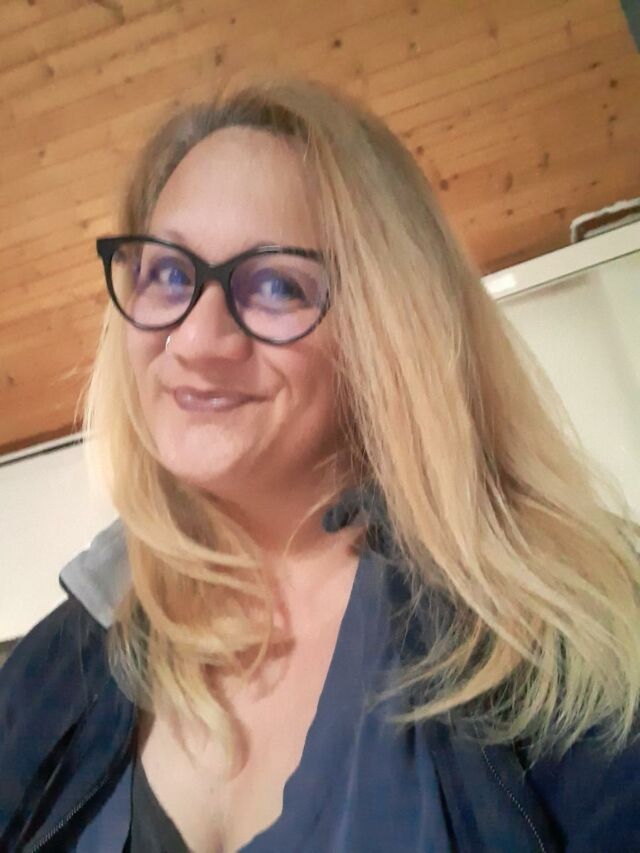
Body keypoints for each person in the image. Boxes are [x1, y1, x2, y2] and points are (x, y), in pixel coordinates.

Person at [1, 72, 639, 853]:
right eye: (167, 274)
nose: (195, 340)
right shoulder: (54, 664)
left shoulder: (556, 625)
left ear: (383, 329)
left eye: (276, 284)